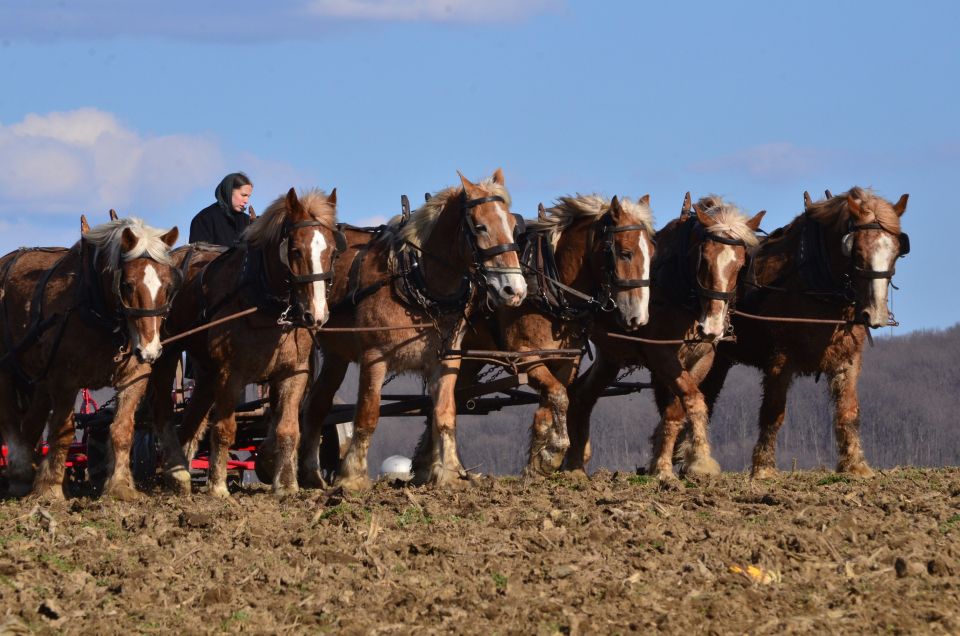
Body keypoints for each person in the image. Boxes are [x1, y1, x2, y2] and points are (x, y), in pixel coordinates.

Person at [189, 172, 254, 246]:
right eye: (243, 195)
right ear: (229, 191)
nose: (246, 201)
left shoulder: (248, 222)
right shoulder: (204, 219)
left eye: (248, 196)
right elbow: (197, 255)